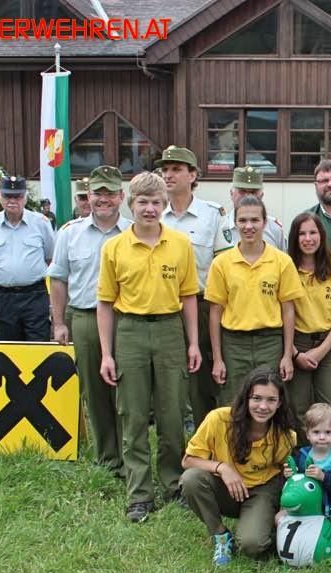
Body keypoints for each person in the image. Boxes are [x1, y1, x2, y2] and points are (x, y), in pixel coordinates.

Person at [97, 171, 201, 523]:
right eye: (143, 202)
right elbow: (105, 303)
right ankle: (139, 493)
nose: (150, 209)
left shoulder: (180, 244)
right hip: (131, 332)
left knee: (173, 414)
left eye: (156, 202)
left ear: (165, 204)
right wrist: (107, 353)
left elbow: (188, 296)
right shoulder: (114, 248)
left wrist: (193, 343)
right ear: (131, 203)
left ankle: (174, 484)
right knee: (134, 415)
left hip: (170, 330)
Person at [48, 165, 129, 476]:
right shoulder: (70, 233)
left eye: (110, 192)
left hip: (125, 318)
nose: (103, 199)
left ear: (121, 196)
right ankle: (108, 458)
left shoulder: (135, 231)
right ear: (88, 196)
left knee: (127, 390)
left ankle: (130, 456)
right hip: (84, 317)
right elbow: (58, 280)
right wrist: (59, 323)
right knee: (94, 391)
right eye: (98, 193)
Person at [181, 367, 297, 566]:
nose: (263, 406)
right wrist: (223, 468)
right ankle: (220, 536)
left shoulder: (286, 435)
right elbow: (188, 460)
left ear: (280, 403)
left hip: (261, 490)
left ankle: (258, 524)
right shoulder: (219, 418)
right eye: (257, 398)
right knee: (191, 479)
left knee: (253, 546)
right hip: (227, 487)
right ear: (246, 398)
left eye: (271, 400)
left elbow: (285, 474)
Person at [157, 145, 231, 430]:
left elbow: (222, 266)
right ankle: (173, 429)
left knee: (201, 375)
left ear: (193, 175)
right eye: (165, 170)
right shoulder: (154, 215)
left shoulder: (211, 215)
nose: (168, 175)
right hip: (163, 306)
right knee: (169, 374)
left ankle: (204, 430)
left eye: (176, 169)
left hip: (201, 304)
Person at [206, 195, 303, 404]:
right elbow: (215, 312)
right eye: (242, 221)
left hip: (270, 342)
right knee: (233, 402)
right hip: (233, 343)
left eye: (254, 220)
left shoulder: (282, 262)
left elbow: (288, 310)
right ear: (235, 223)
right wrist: (218, 358)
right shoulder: (221, 263)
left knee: (269, 399)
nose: (248, 226)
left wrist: (287, 355)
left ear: (264, 222)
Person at [287, 212, 331, 434]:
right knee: (298, 407)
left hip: (327, 345)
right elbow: (280, 314)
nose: (308, 238)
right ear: (294, 238)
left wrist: (322, 350)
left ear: (321, 236)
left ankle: (329, 459)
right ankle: (301, 458)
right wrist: (296, 354)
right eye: (302, 233)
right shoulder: (285, 269)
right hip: (296, 344)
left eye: (313, 232)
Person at [281, 403, 331, 569]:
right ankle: (286, 547)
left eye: (328, 432)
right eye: (316, 432)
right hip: (306, 507)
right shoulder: (301, 456)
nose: (322, 437)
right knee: (279, 516)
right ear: (308, 434)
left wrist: (323, 476)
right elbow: (298, 482)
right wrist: (290, 475)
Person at [0, 175, 55, 341]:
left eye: (17, 196)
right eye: (7, 196)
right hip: (4, 296)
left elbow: (50, 258)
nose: (12, 200)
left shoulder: (41, 223)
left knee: (38, 345)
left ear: (25, 197)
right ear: (0, 197)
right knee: (8, 348)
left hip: (34, 294)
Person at [227, 166, 288, 250]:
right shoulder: (219, 227)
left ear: (261, 195)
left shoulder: (274, 229)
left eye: (253, 192)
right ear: (231, 194)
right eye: (242, 191)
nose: (247, 196)